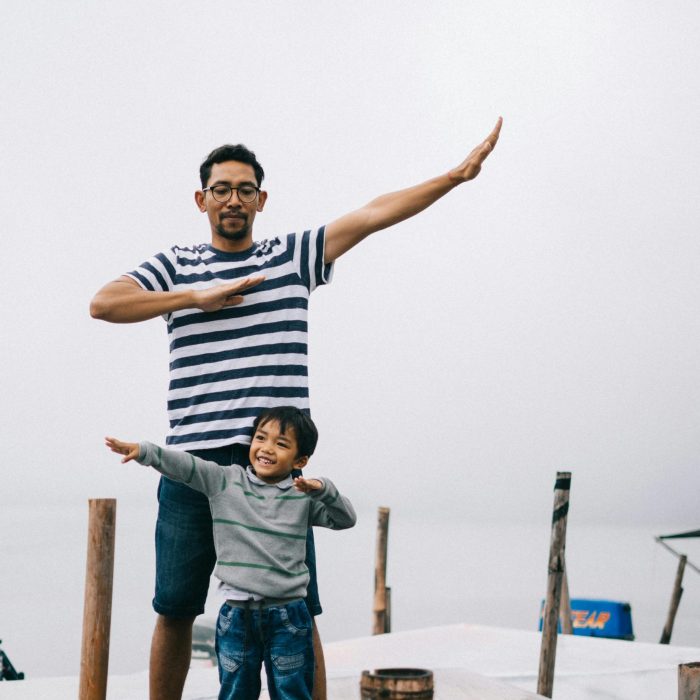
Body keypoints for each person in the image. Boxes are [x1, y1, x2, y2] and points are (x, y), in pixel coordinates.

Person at [89, 117, 502, 700]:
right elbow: (104, 303)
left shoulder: (293, 257)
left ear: (261, 199)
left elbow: (373, 213)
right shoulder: (177, 265)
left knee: (298, 609)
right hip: (193, 463)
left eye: (245, 189)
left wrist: (456, 177)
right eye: (222, 188)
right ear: (201, 198)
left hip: (275, 466)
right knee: (176, 606)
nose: (234, 198)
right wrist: (194, 297)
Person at [106, 406, 356, 700]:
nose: (267, 448)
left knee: (293, 693)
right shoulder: (225, 481)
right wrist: (145, 452)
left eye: (281, 444)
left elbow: (345, 519)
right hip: (238, 616)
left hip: (289, 617)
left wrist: (323, 488)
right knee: (235, 693)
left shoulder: (302, 497)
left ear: (300, 460)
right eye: (260, 438)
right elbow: (187, 466)